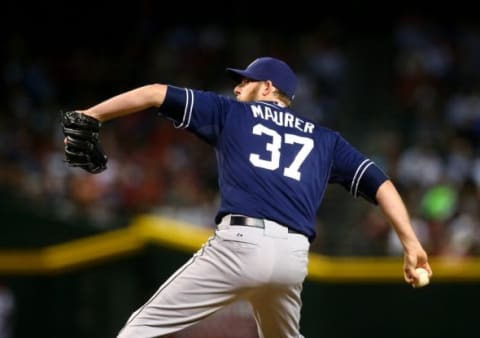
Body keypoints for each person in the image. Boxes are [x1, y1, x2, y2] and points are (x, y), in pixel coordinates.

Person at [63, 56, 432, 338]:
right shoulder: (325, 139)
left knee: (138, 331)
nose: (237, 89)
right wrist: (410, 241)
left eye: (245, 82)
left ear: (268, 87)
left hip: (239, 246)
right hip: (292, 260)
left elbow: (154, 92)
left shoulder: (233, 113)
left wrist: (90, 114)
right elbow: (380, 183)